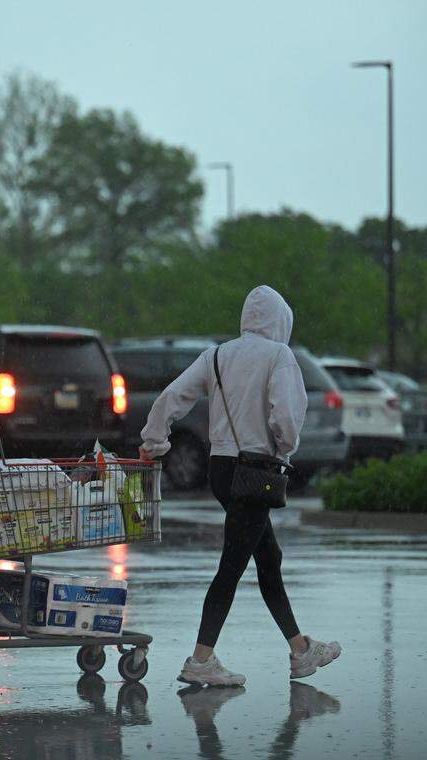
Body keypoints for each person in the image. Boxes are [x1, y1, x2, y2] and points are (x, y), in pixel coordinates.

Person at [139, 285, 341, 687]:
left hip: (220, 470)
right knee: (232, 566)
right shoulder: (280, 356)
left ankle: (301, 649)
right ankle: (201, 660)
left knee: (269, 559)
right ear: (280, 320)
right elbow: (285, 416)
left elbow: (173, 396)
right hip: (256, 472)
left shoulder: (215, 354)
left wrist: (154, 441)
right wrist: (286, 447)